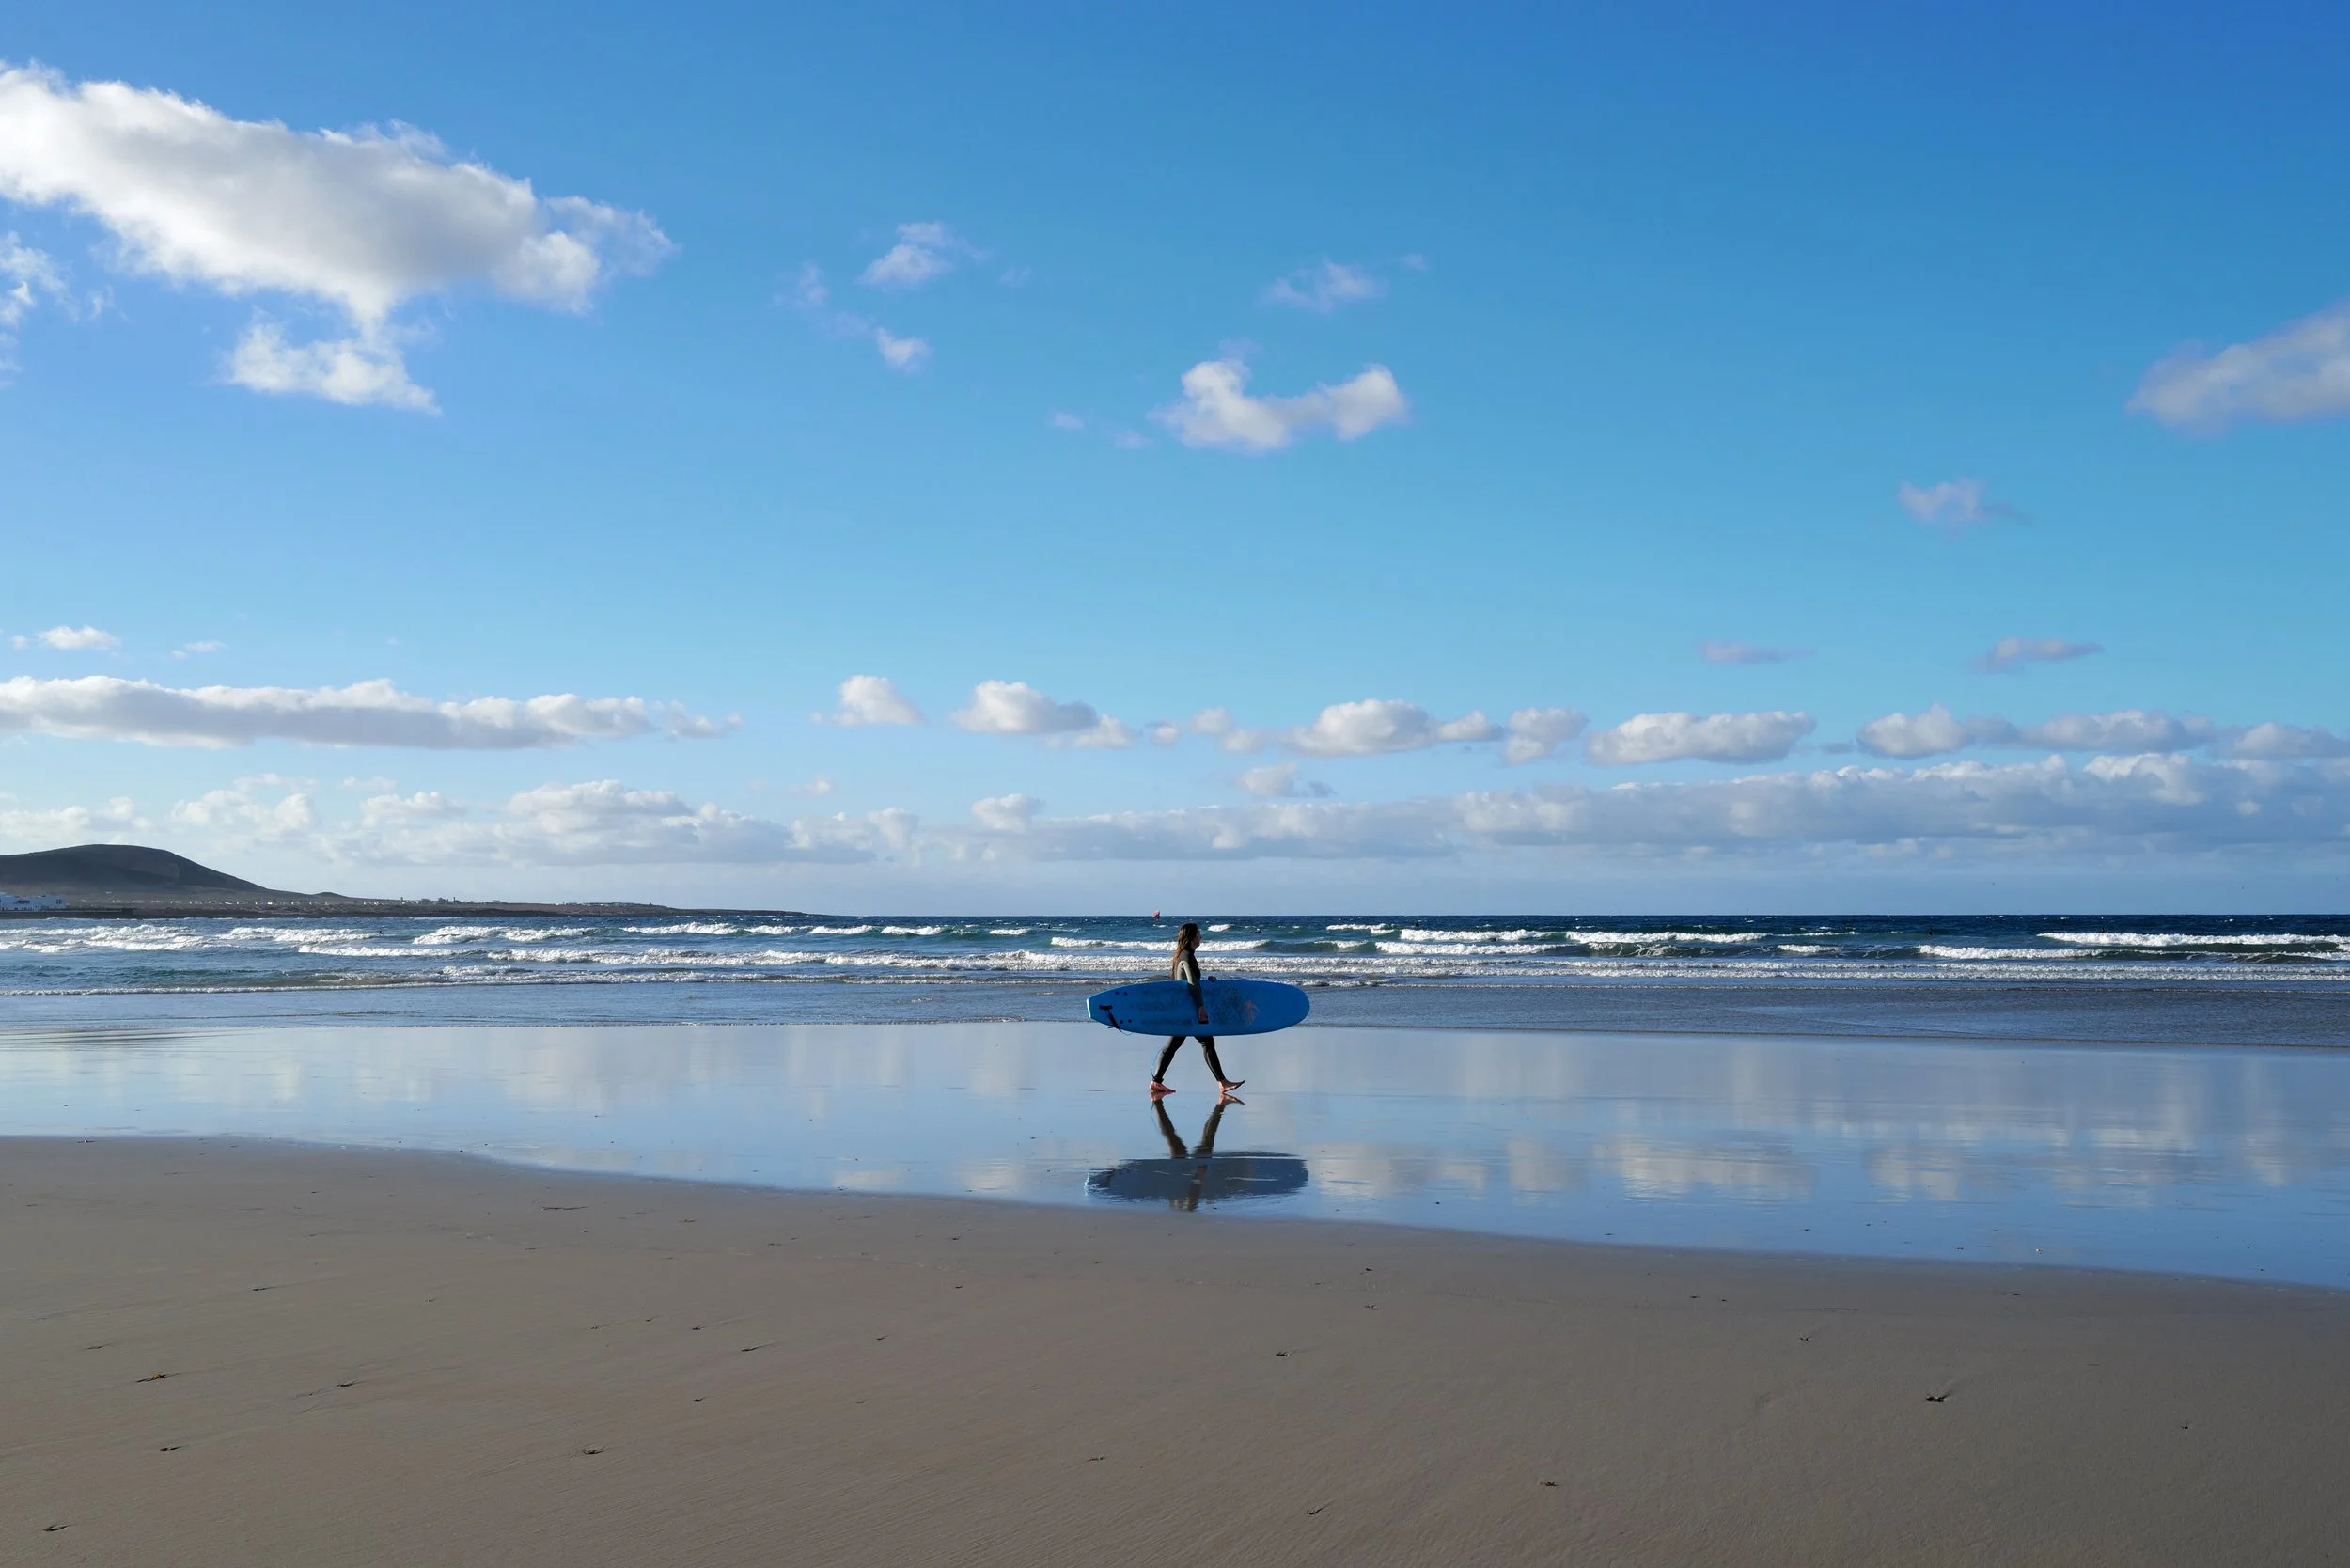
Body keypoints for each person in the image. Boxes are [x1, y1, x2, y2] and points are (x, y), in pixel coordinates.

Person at [1152, 921, 1243, 1098]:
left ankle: (1156, 1081)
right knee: (1206, 1042)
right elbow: (1192, 983)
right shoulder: (1186, 956)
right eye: (1199, 933)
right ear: (1193, 937)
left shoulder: (1183, 955)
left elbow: (1190, 982)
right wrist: (1200, 1006)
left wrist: (1208, 983)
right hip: (1190, 1010)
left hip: (1183, 1010)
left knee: (1174, 1044)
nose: (1201, 936)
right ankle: (1222, 1082)